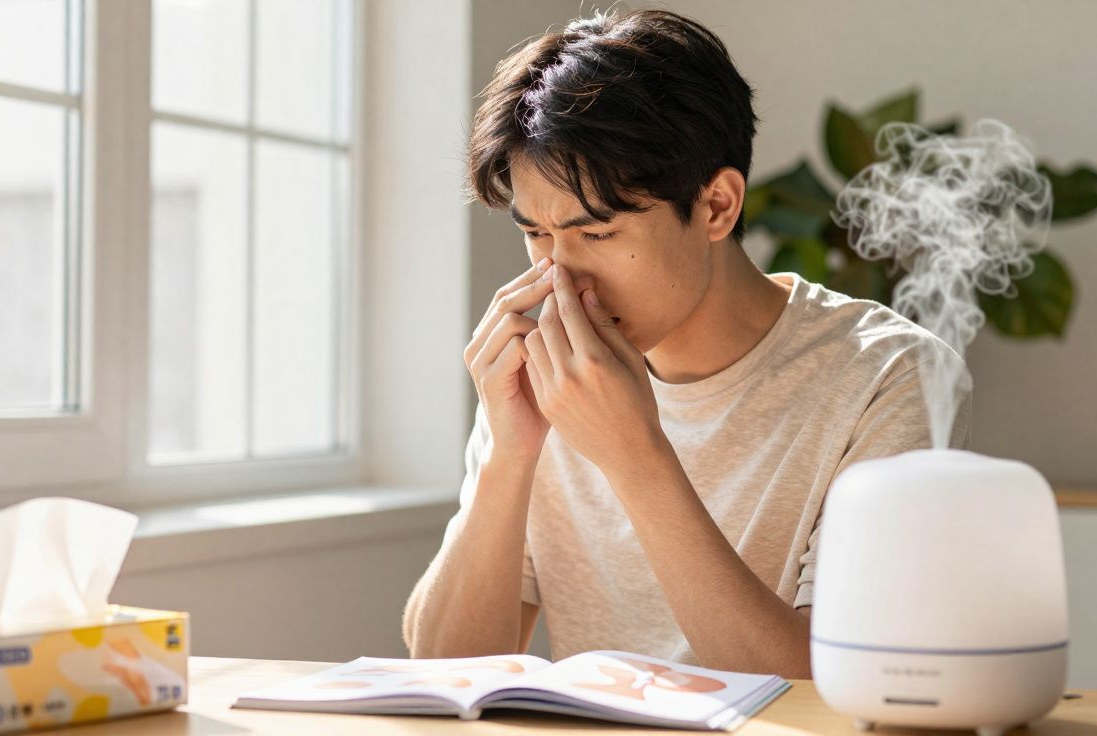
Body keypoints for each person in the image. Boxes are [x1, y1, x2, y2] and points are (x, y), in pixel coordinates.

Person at [402, 7, 970, 679]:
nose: (557, 276)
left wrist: (635, 456)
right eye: (535, 234)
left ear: (717, 207)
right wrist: (509, 455)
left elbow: (832, 695)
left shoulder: (887, 374)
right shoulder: (543, 366)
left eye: (597, 234)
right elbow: (443, 672)